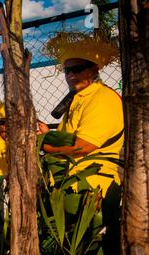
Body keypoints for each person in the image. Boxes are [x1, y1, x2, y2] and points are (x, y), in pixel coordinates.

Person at [38, 31, 123, 194]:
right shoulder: (79, 98)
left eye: (77, 69)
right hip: (73, 184)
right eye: (67, 70)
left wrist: (42, 146)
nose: (70, 75)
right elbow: (72, 136)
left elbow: (82, 147)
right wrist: (49, 134)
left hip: (93, 190)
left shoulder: (102, 98)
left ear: (94, 69)